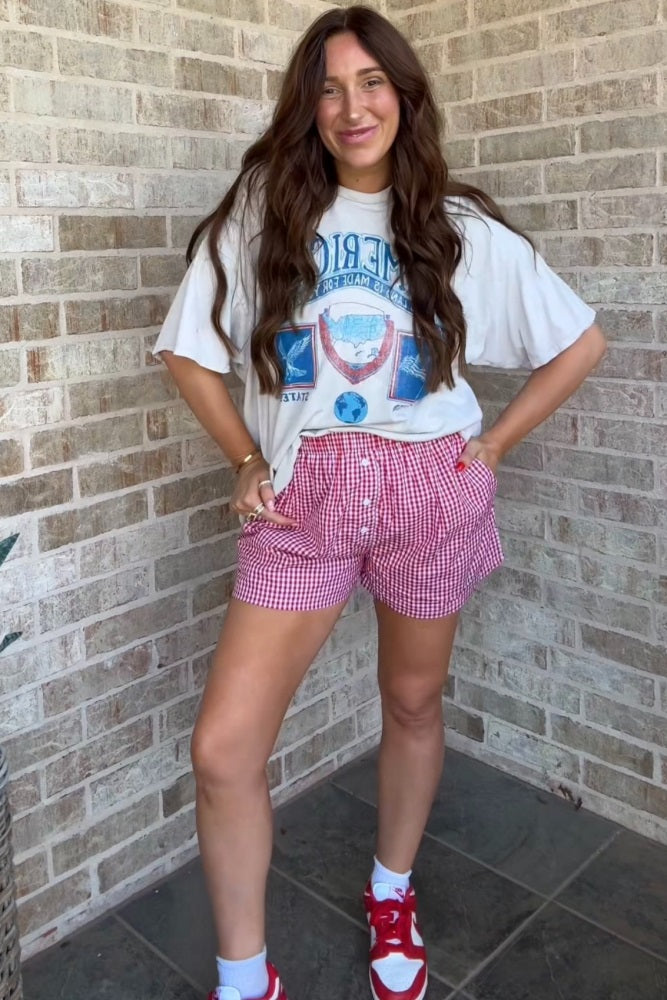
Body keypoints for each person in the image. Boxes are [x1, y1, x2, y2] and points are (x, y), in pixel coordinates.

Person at [152, 7, 606, 1000]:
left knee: (410, 701)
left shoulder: (453, 225)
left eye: (370, 83)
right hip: (302, 501)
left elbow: (578, 343)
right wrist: (244, 456)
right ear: (306, 106)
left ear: (403, 96)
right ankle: (245, 980)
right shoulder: (266, 211)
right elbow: (187, 351)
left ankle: (390, 890)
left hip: (425, 490)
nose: (350, 107)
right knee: (223, 749)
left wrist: (489, 447)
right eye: (327, 87)